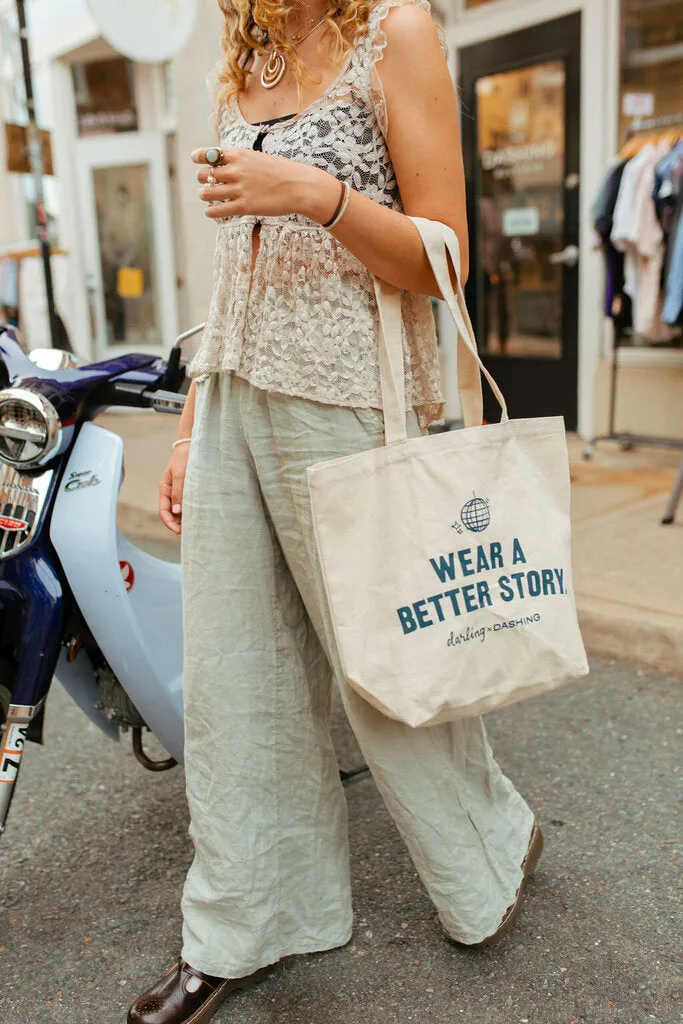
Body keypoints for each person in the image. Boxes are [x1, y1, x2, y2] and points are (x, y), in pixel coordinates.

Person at [129, 1, 542, 1020]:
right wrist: (189, 429)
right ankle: (243, 921)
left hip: (346, 391)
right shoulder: (248, 58)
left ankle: (488, 845)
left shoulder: (393, 33)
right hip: (233, 392)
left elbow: (438, 259)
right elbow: (233, 272)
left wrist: (316, 194)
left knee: (385, 670)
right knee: (234, 674)